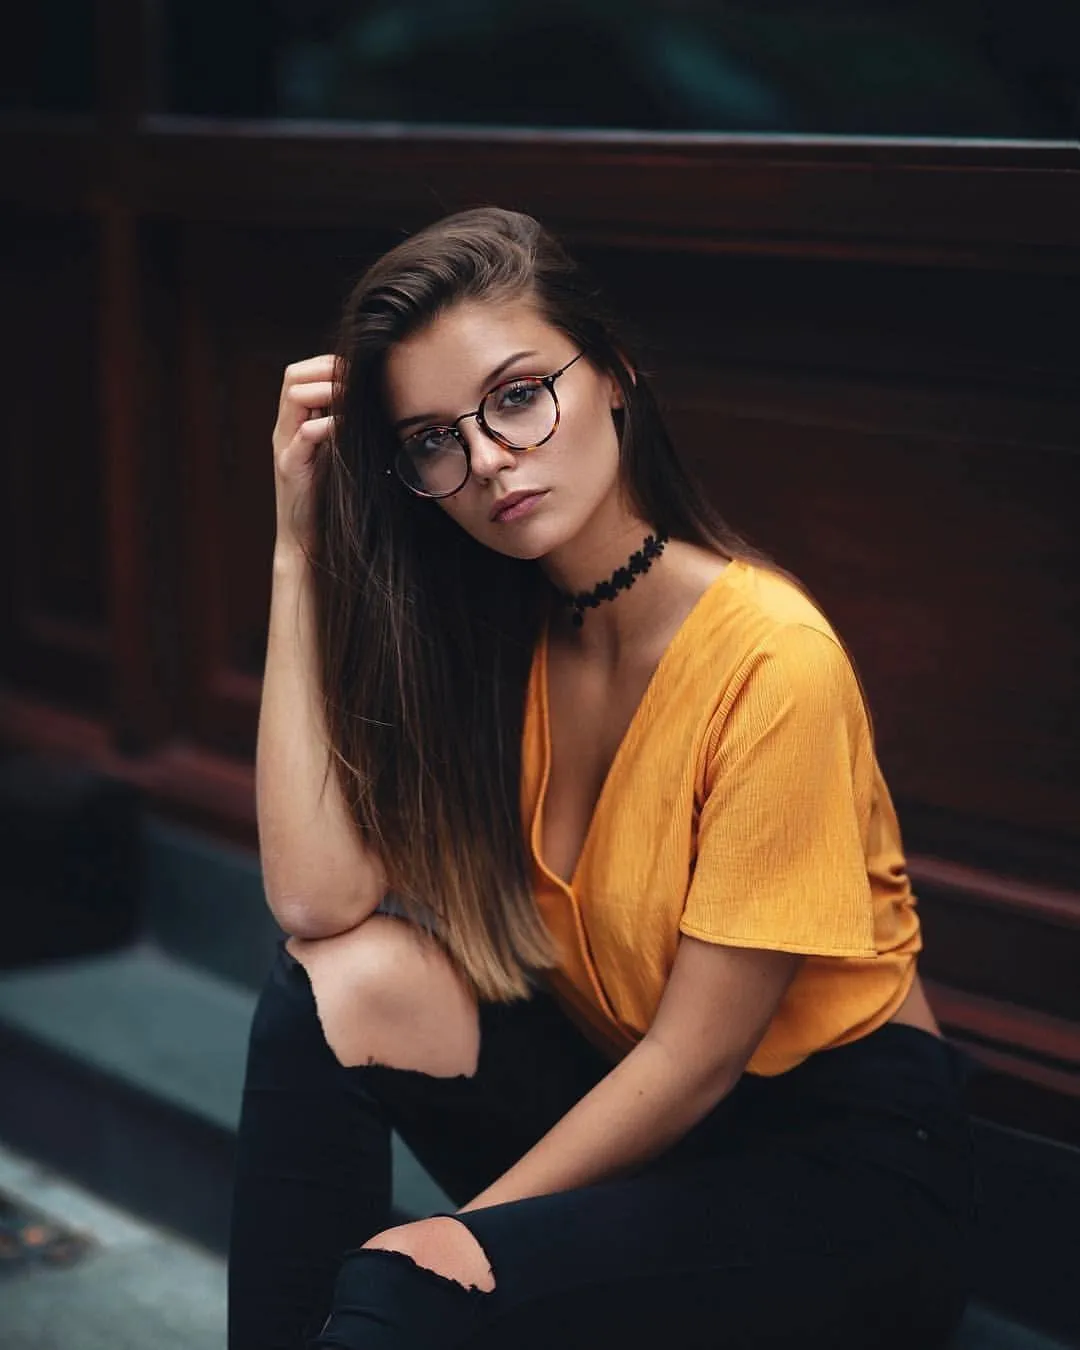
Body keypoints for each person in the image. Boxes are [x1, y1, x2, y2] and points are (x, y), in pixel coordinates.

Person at [229, 206, 976, 1350]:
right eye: (433, 440)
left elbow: (697, 1063)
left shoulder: (775, 659)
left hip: (838, 1177)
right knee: (328, 989)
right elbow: (317, 904)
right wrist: (297, 545)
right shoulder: (507, 629)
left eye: (518, 396)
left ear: (616, 376)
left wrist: (452, 1243)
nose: (487, 460)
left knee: (408, 1291)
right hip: (628, 1095)